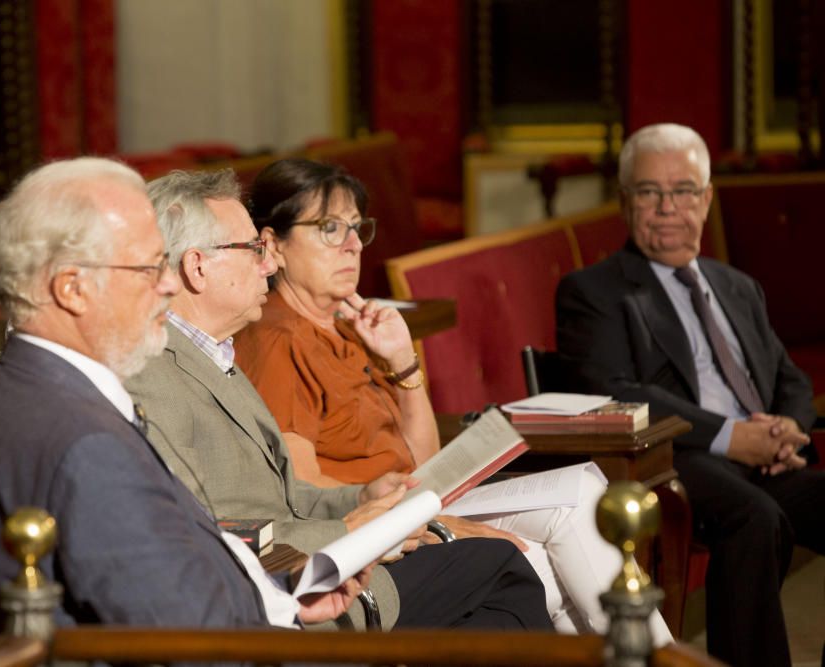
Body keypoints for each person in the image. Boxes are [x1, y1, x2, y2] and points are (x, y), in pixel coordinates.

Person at [233, 158, 672, 641]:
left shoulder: (347, 325)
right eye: (330, 228)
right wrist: (438, 525)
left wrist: (403, 362)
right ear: (273, 243)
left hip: (418, 502)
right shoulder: (277, 338)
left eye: (358, 229)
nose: (354, 245)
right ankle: (649, 653)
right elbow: (302, 490)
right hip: (380, 528)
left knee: (586, 497)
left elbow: (421, 460)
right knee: (562, 539)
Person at [0, 157, 369, 640]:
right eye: (147, 266)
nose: (168, 284)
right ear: (72, 289)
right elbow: (187, 637)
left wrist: (278, 595)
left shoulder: (34, 390)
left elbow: (171, 579)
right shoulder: (84, 441)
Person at [126, 168, 555, 632]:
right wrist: (351, 529)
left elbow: (288, 496)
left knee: (492, 596)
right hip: (286, 592)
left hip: (316, 560)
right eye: (254, 250)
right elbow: (205, 534)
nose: (267, 265)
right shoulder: (153, 374)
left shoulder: (214, 350)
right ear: (197, 267)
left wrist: (364, 497)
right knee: (500, 567)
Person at [555, 122, 825, 667]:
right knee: (757, 518)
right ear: (626, 201)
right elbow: (613, 390)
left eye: (683, 192)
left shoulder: (736, 286)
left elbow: (788, 375)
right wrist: (732, 438)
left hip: (765, 455)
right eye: (650, 192)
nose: (667, 208)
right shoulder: (595, 291)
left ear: (706, 200)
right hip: (675, 458)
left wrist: (787, 429)